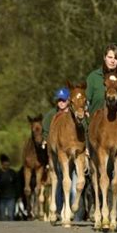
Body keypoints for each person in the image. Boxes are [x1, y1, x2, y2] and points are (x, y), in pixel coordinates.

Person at [42, 87, 70, 216]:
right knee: (58, 178)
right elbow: (46, 131)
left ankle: (79, 212)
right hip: (58, 151)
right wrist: (45, 139)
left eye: (64, 100)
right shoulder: (51, 115)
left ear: (69, 101)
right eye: (59, 100)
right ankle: (59, 209)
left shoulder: (74, 114)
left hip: (74, 151)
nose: (61, 103)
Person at [0, 154, 19, 221]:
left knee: (10, 215)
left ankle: (11, 230)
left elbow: (17, 184)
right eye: (5, 165)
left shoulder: (12, 173)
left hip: (11, 197)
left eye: (8, 165)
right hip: (2, 198)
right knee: (2, 217)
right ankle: (3, 230)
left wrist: (18, 196)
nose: (7, 166)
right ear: (2, 164)